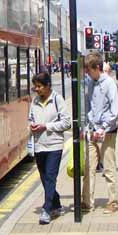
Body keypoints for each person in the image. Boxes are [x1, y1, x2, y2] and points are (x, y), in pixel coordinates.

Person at [29, 72, 71, 224]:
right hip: (39, 145)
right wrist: (32, 127)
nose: (37, 89)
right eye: (35, 87)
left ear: (47, 86)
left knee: (51, 177)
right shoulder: (34, 102)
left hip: (54, 145)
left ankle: (46, 209)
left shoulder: (57, 99)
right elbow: (30, 119)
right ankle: (57, 203)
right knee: (45, 178)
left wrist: (46, 126)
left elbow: (67, 123)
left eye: (39, 86)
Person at [82, 51, 118, 214]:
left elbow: (115, 110)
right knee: (89, 168)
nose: (87, 73)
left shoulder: (109, 83)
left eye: (89, 70)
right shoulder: (90, 83)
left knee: (108, 168)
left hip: (107, 132)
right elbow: (88, 107)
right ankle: (86, 202)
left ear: (97, 68)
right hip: (92, 131)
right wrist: (86, 127)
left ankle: (112, 202)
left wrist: (103, 127)